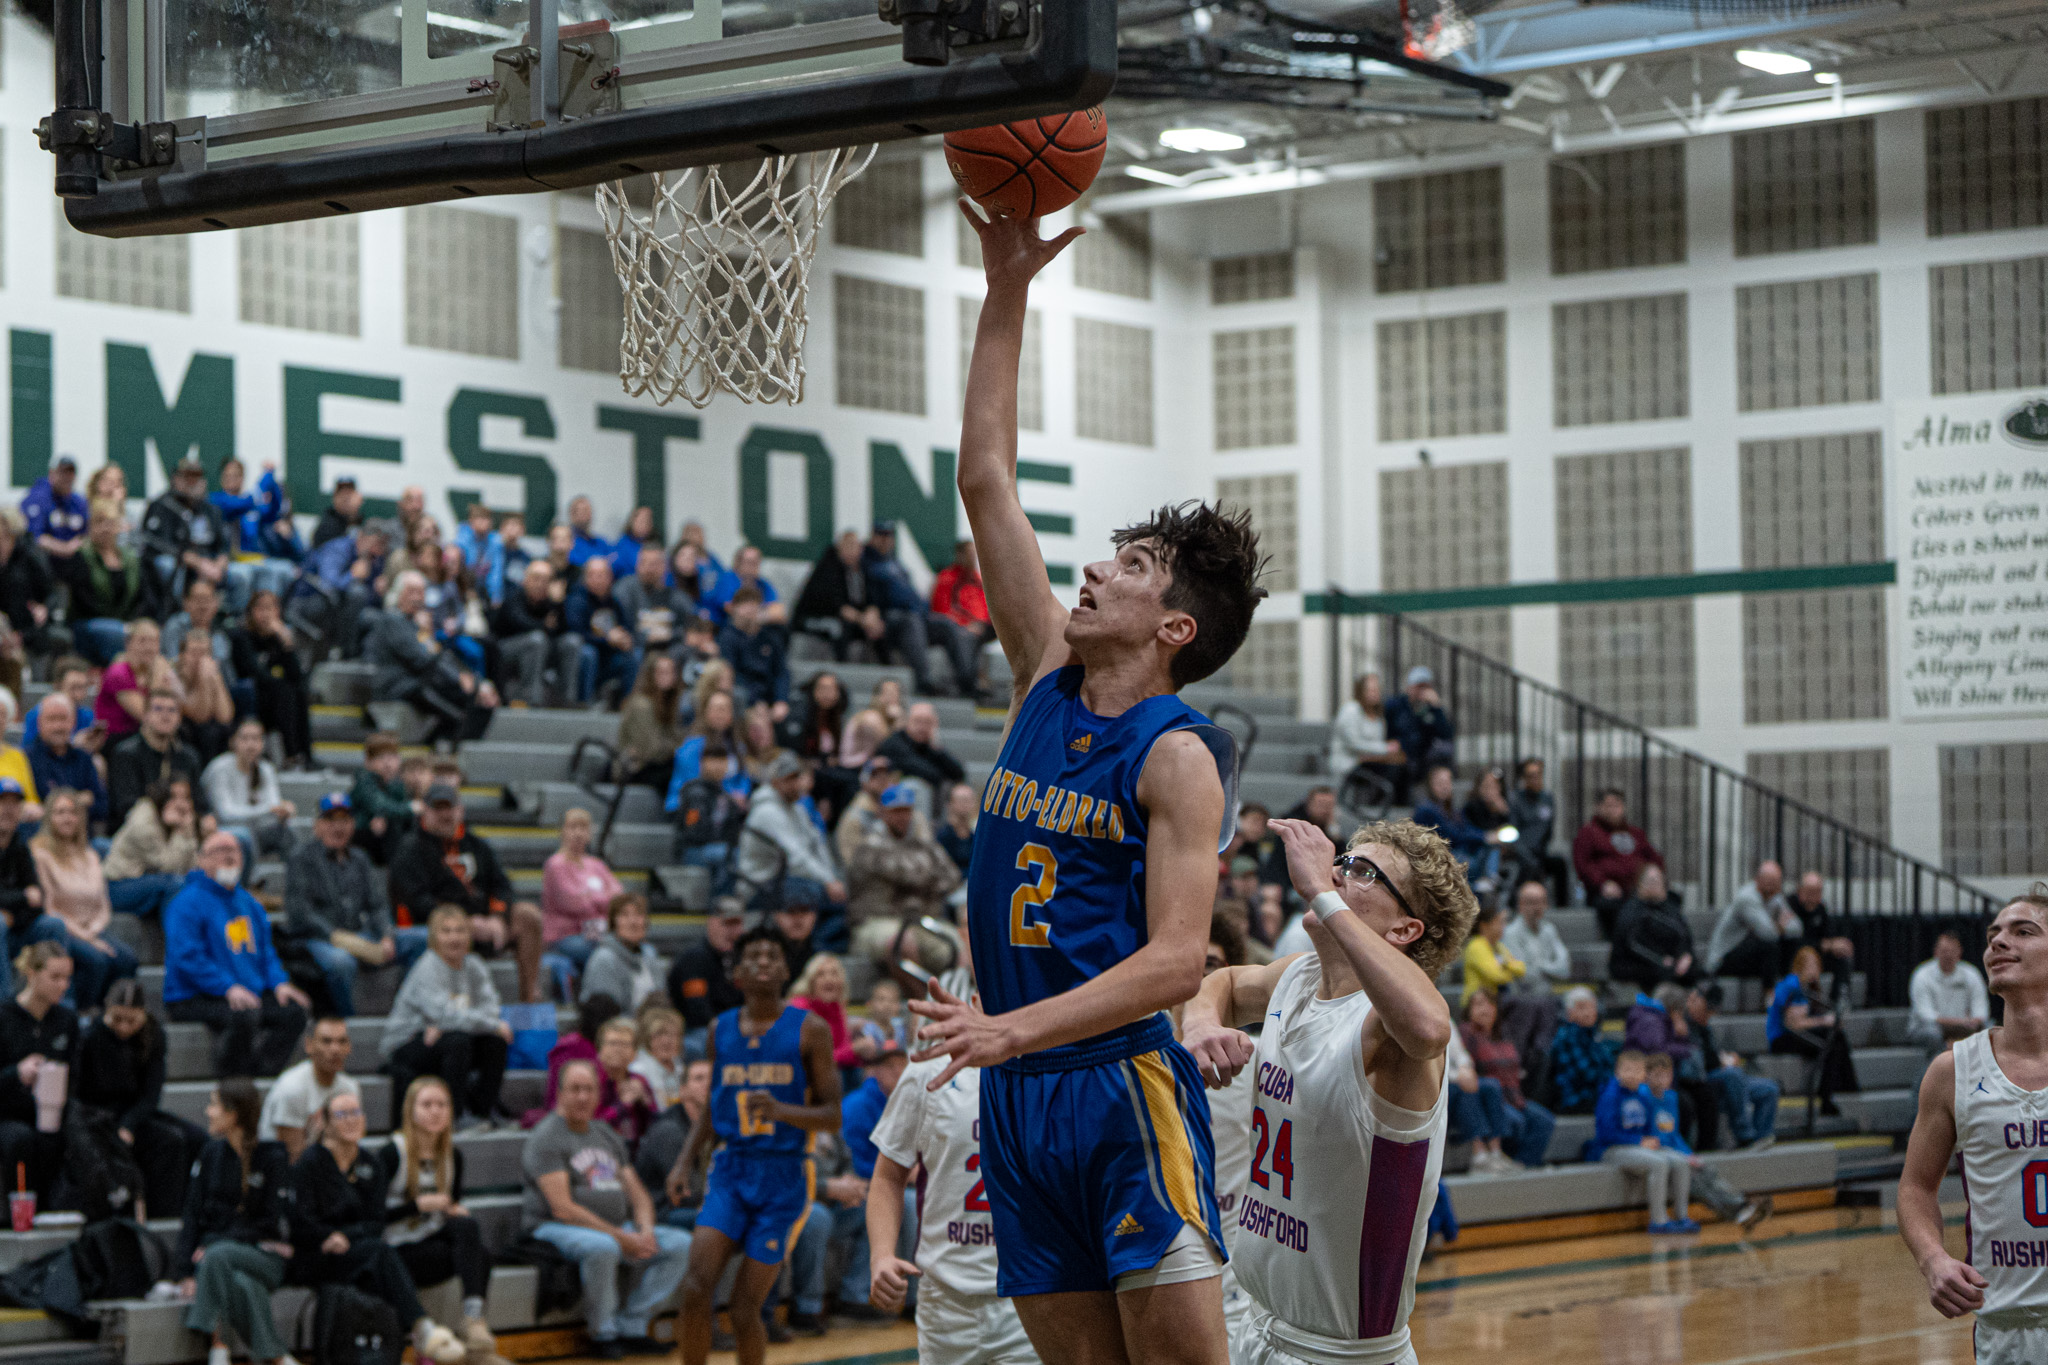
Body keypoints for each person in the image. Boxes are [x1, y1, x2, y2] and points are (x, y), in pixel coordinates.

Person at [911, 206, 1268, 1365]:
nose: (1090, 569)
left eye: (1126, 565)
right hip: (1018, 1105)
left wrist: (1008, 1029)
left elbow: (1176, 962)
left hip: (1118, 1092)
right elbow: (983, 478)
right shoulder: (1039, 681)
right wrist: (1005, 287)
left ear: (1171, 624)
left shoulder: (1174, 752)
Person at [1178, 817, 1476, 1365]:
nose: (1336, 873)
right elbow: (1218, 982)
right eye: (1342, 861)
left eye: (1362, 872)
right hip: (1256, 1325)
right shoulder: (1298, 976)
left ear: (1405, 930)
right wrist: (1198, 1025)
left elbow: (1432, 1027)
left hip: (1338, 1354)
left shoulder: (1385, 1032)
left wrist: (1318, 890)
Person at [670, 929, 840, 1365]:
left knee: (745, 1309)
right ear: (738, 972)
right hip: (731, 1169)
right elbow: (712, 1105)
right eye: (753, 955)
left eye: (772, 954)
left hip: (785, 1174)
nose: (763, 960)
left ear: (786, 970)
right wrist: (684, 1160)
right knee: (694, 1289)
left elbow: (834, 1114)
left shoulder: (811, 1030)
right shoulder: (719, 1029)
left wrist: (783, 1111)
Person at [1899, 888, 2048, 1363]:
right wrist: (1933, 1260)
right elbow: (1916, 1188)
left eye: (2023, 931)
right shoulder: (1953, 1070)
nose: (1999, 942)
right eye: (1993, 934)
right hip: (2007, 1329)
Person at [866, 1033, 1032, 1361]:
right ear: (972, 1000)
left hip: (1031, 1295)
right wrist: (881, 1255)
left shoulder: (1053, 1064)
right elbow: (888, 1176)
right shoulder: (929, 1070)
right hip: (945, 1300)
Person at [525, 1059, 692, 1359]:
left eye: (589, 1089)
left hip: (614, 1226)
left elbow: (638, 1194)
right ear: (559, 1094)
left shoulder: (605, 1134)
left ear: (599, 1094)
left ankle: (633, 1324)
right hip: (554, 1227)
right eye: (574, 1089)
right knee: (603, 1247)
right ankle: (603, 1333)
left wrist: (645, 1230)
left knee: (681, 1244)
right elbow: (562, 1208)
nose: (582, 1097)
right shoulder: (546, 1137)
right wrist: (619, 1236)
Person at [287, 1091, 469, 1364]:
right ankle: (421, 1329)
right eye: (341, 1114)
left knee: (378, 1257)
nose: (351, 1120)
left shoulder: (370, 1164)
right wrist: (327, 1236)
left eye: (356, 1112)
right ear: (325, 1121)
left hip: (359, 1253)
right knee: (380, 1255)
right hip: (318, 1255)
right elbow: (299, 1221)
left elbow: (375, 1221)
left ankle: (390, 1351)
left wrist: (345, 1235)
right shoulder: (310, 1162)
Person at [174, 1078, 303, 1365]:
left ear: (233, 1115)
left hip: (265, 1256)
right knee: (240, 1283)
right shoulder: (210, 1154)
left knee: (217, 1257)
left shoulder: (272, 1156)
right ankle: (279, 1358)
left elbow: (270, 1222)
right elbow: (192, 1213)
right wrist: (184, 1271)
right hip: (220, 1259)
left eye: (214, 1105)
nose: (208, 1112)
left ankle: (217, 1347)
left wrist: (216, 1244)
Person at [162, 833, 312, 1076]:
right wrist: (227, 987)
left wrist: (278, 983)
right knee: (244, 1014)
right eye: (220, 850)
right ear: (202, 860)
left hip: (245, 992)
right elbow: (187, 957)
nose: (230, 855)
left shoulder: (249, 902)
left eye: (235, 850)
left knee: (294, 1012)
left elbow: (266, 952)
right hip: (194, 996)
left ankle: (261, 1076)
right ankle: (234, 1084)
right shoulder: (186, 902)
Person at [382, 1076, 508, 1365]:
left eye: (442, 1105)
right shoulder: (392, 1153)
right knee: (475, 1252)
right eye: (427, 1104)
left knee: (472, 1236)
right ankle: (430, 1340)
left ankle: (474, 1326)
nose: (435, 1111)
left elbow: (450, 1207)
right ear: (410, 1110)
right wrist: (416, 1205)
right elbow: (371, 1218)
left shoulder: (453, 1156)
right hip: (394, 1253)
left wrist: (453, 1210)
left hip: (429, 1244)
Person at [389, 784, 546, 1003]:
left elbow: (502, 885)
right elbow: (417, 901)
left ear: (460, 810)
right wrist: (464, 924)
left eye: (449, 808)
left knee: (528, 915)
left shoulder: (478, 845)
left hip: (486, 924)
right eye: (438, 808)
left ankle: (530, 999)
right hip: (439, 927)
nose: (445, 814)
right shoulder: (410, 849)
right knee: (449, 930)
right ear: (425, 811)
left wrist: (497, 917)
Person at [76, 978, 206, 1219]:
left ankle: (178, 1214)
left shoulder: (154, 1034)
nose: (124, 1027)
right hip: (97, 1115)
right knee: (169, 1141)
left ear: (143, 1015)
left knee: (197, 1138)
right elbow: (79, 1092)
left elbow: (151, 1094)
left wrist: (129, 1124)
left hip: (136, 1112)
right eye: (117, 1019)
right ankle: (159, 1213)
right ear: (107, 1011)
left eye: (131, 1021)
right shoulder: (90, 1036)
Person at [382, 905, 513, 1127]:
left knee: (495, 1041)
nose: (454, 938)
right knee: (458, 1041)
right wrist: (479, 1023)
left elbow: (491, 1009)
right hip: (406, 1041)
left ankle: (484, 1112)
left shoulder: (475, 965)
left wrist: (450, 1024)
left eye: (460, 931)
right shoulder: (428, 966)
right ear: (434, 937)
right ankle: (455, 1116)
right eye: (446, 931)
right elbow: (444, 1015)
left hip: (443, 1037)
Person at [285, 794, 403, 1019]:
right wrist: (338, 937)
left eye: (345, 820)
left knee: (418, 940)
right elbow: (300, 912)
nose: (338, 827)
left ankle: (403, 1015)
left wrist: (386, 934)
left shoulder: (360, 858)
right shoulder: (301, 858)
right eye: (331, 820)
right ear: (317, 825)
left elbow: (377, 905)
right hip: (317, 939)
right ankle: (349, 1027)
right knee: (341, 962)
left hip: (360, 935)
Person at [366, 571, 499, 743]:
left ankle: (452, 746)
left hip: (421, 681)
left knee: (477, 700)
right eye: (411, 591)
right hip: (398, 685)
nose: (417, 597)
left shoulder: (413, 624)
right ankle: (445, 746)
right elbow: (422, 659)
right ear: (397, 593)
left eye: (421, 592)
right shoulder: (392, 620)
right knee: (459, 711)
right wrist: (460, 678)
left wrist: (476, 681)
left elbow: (439, 655)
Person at [26, 787, 129, 1007]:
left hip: (92, 928)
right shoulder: (39, 853)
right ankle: (78, 1014)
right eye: (60, 812)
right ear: (49, 817)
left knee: (126, 960)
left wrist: (93, 930)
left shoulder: (90, 855)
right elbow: (49, 906)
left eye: (72, 812)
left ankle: (107, 1017)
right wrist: (86, 936)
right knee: (96, 960)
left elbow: (103, 903)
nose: (67, 818)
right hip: (65, 929)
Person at [1640, 1051, 1767, 1228]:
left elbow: (1673, 1134)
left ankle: (1740, 1206)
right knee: (1695, 1179)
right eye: (1657, 1075)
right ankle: (1738, 1209)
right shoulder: (1643, 1096)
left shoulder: (1670, 1097)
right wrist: (1682, 1156)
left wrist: (1688, 1154)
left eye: (1667, 1075)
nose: (1662, 1080)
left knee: (1706, 1169)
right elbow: (1652, 1135)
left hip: (1672, 1150)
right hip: (1656, 1152)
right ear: (1647, 1076)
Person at [846, 782, 963, 967]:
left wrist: (925, 878)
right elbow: (909, 876)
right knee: (902, 942)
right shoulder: (869, 846)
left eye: (907, 811)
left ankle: (958, 995)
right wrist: (930, 879)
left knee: (963, 944)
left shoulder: (924, 844)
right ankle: (919, 996)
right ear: (883, 813)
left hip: (921, 921)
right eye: (896, 811)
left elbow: (952, 877)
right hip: (876, 921)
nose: (903, 817)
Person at [735, 755, 847, 939]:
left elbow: (815, 845)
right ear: (775, 782)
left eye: (797, 777)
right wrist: (828, 882)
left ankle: (820, 949)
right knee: (813, 893)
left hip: (784, 881)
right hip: (758, 885)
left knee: (840, 896)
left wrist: (832, 878)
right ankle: (811, 951)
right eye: (789, 779)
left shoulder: (796, 809)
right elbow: (797, 857)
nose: (796, 784)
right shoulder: (767, 811)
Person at [0, 941, 79, 1200]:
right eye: (55, 977)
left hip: (51, 1111)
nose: (63, 985)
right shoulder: (5, 1016)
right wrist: (16, 1073)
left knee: (70, 1133)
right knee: (20, 1139)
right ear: (32, 974)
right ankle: (21, 1212)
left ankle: (61, 1210)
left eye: (67, 978)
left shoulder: (66, 1020)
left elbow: (76, 1076)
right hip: (7, 1113)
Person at [1585, 1050, 1697, 1232]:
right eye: (1627, 1070)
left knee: (1681, 1162)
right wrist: (1639, 1140)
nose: (1632, 1074)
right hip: (1612, 1150)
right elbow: (1606, 1134)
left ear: (1644, 1074)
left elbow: (1648, 1129)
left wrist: (1650, 1141)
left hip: (1637, 1147)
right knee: (1659, 1163)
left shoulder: (1643, 1097)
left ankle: (1681, 1216)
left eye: (1637, 1070)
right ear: (1617, 1072)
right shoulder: (1610, 1096)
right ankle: (1659, 1221)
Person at [1457, 989, 1555, 1171]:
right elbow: (1465, 1071)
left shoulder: (1504, 1033)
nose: (1484, 1009)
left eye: (1489, 1004)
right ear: (1468, 1010)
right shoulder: (1466, 1033)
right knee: (1516, 1122)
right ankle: (1502, 1161)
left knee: (1544, 1121)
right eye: (1478, 1005)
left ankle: (1523, 1165)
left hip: (1514, 1097)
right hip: (1488, 1100)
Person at [1766, 946, 1860, 1122]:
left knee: (1836, 1037)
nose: (1816, 970)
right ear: (1801, 966)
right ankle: (1836, 1092)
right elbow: (1794, 1024)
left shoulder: (1804, 986)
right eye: (1811, 965)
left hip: (1791, 1035)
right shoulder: (1793, 985)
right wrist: (1825, 1021)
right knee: (1832, 1040)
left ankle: (1843, 1088)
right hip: (1781, 1038)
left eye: (1817, 965)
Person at [1684, 984, 1778, 1149]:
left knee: (1769, 1088)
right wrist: (1723, 1062)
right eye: (1707, 1009)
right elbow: (1697, 1062)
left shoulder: (1706, 1027)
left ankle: (1761, 1138)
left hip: (1723, 1077)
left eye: (1712, 1011)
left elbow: (1712, 1053)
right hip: (1704, 1081)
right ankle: (1745, 1136)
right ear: (1694, 1000)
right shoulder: (1683, 1024)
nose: (1710, 1014)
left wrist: (1724, 1059)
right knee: (1733, 1075)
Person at [861, 521, 949, 696]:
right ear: (873, 537)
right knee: (911, 622)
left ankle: (967, 685)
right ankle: (924, 681)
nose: (885, 540)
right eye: (881, 535)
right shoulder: (865, 561)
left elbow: (911, 594)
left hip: (914, 613)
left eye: (888, 536)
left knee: (948, 626)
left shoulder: (895, 562)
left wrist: (925, 609)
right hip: (889, 618)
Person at [58, 507, 155, 666]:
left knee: (147, 630)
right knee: (115, 632)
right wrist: (122, 625)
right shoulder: (81, 555)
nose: (105, 528)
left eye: (110, 523)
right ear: (90, 527)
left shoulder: (131, 558)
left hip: (125, 623)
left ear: (118, 527)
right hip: (87, 624)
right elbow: (83, 601)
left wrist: (135, 622)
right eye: (99, 522)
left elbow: (143, 596)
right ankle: (123, 676)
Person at [257, 1015, 361, 1159]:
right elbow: (291, 1157)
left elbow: (351, 1142)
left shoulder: (350, 1087)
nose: (335, 1049)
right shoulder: (292, 1087)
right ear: (309, 1045)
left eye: (342, 1041)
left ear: (349, 1047)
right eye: (326, 1041)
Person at [107, 688, 209, 832]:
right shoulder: (126, 753)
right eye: (158, 709)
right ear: (146, 715)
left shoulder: (189, 756)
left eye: (172, 710)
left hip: (182, 827)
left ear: (180, 718)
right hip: (137, 829)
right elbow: (126, 805)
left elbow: (199, 803)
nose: (165, 715)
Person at [541, 808, 624, 983]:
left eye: (583, 827)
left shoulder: (597, 864)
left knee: (633, 948)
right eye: (572, 827)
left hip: (599, 932)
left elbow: (619, 898)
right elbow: (573, 904)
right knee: (606, 952)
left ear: (590, 833)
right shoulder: (555, 865)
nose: (578, 833)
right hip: (565, 936)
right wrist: (602, 899)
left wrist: (589, 897)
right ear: (562, 831)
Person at [231, 590, 313, 768]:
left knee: (298, 691)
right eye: (260, 608)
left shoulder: (277, 637)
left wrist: (286, 642)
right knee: (285, 691)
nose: (265, 613)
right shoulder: (241, 636)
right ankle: (293, 754)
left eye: (271, 608)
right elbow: (255, 672)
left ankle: (305, 755)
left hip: (275, 700)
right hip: (249, 697)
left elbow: (296, 675)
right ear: (251, 611)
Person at [104, 778, 201, 919]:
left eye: (185, 797)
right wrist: (181, 832)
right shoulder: (143, 824)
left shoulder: (172, 819)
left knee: (199, 881)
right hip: (118, 886)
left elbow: (191, 867)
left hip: (147, 880)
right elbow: (170, 867)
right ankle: (175, 937)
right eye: (174, 797)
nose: (181, 804)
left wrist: (187, 831)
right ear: (162, 796)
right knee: (175, 884)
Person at [202, 718, 296, 863]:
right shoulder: (219, 768)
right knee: (245, 836)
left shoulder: (266, 769)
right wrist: (270, 809)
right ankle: (250, 884)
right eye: (244, 738)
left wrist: (283, 811)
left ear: (263, 744)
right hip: (224, 832)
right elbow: (226, 814)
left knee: (287, 832)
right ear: (233, 742)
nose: (250, 745)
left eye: (256, 739)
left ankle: (296, 883)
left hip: (257, 830)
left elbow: (274, 805)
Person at [1573, 789, 1664, 935]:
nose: (1613, 809)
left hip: (1638, 888)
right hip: (1606, 892)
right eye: (1608, 805)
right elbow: (1583, 864)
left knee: (1670, 899)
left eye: (1617, 805)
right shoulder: (1588, 833)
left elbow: (1654, 858)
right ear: (1598, 807)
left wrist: (1654, 880)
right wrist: (1602, 883)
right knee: (1611, 905)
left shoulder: (1636, 833)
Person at [495, 560, 584, 709]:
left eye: (546, 580)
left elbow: (562, 629)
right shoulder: (513, 598)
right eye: (536, 578)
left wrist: (558, 604)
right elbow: (522, 624)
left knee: (572, 641)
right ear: (525, 579)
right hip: (505, 651)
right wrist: (545, 625)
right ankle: (532, 701)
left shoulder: (551, 602)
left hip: (542, 648)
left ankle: (567, 702)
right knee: (537, 639)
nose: (540, 584)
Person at [665, 899, 746, 1058]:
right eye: (726, 924)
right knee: (703, 1040)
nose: (731, 931)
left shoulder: (741, 958)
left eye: (736, 925)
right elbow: (698, 1011)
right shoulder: (694, 959)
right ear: (711, 923)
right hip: (695, 1029)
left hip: (735, 1027)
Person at [1607, 864, 1694, 993]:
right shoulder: (1631, 910)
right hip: (1634, 964)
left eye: (1658, 880)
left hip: (1668, 962)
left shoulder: (1671, 909)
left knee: (1693, 972)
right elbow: (1632, 944)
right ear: (1640, 884)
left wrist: (1685, 956)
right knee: (1663, 972)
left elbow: (1683, 936)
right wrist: (1661, 960)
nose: (1655, 885)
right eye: (1650, 881)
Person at [28, 694, 109, 831]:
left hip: (82, 838)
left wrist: (54, 805)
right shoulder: (28, 758)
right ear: (39, 723)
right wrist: (79, 800)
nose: (58, 726)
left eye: (63, 719)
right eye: (52, 719)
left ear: (73, 722)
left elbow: (102, 808)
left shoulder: (84, 758)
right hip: (42, 836)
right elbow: (33, 811)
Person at [1413, 765, 1500, 892]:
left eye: (1448, 782)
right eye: (1440, 783)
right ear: (1430, 785)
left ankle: (1491, 878)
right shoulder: (1427, 809)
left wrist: (1487, 835)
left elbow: (1466, 828)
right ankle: (1475, 886)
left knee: (1492, 846)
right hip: (1437, 856)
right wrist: (1484, 837)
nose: (1445, 786)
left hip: (1454, 851)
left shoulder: (1450, 809)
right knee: (1469, 861)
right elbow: (1452, 835)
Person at [567, 557, 641, 705]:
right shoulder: (577, 600)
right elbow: (576, 634)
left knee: (634, 656)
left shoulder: (614, 602)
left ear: (610, 578)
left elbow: (625, 627)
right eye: (593, 575)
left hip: (608, 658)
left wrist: (625, 640)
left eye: (602, 575)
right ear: (585, 578)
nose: (598, 579)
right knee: (588, 653)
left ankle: (628, 706)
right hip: (584, 658)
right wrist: (607, 639)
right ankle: (584, 704)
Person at [1706, 861, 1795, 980]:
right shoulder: (1747, 898)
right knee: (1770, 947)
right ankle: (1770, 995)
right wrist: (1780, 926)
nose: (1772, 885)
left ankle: (1789, 988)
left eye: (1775, 881)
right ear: (1757, 879)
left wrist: (1779, 928)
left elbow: (1797, 928)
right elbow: (1768, 934)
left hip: (1748, 953)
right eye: (1768, 880)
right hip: (1723, 958)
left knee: (1791, 944)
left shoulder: (1775, 898)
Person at [1326, 671, 1402, 807]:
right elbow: (1354, 744)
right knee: (1392, 768)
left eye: (1377, 689)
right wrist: (1386, 748)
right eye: (1370, 689)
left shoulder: (1379, 715)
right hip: (1349, 764)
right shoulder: (1350, 710)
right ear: (1360, 691)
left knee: (1402, 764)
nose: (1374, 693)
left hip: (1368, 760)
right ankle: (1375, 806)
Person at [1908, 930, 1991, 1054]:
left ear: (1960, 952)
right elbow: (1926, 1015)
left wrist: (1971, 1023)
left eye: (1952, 951)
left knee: (1990, 1031)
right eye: (1944, 951)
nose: (1948, 955)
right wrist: (1961, 1023)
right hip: (1930, 1028)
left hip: (1965, 1028)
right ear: (1936, 952)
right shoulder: (1922, 975)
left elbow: (1981, 1012)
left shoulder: (1972, 974)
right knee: (1932, 1034)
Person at [670, 742, 743, 879]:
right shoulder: (695, 792)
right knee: (731, 855)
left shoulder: (725, 795)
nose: (717, 766)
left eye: (722, 760)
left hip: (717, 849)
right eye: (712, 760)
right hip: (694, 850)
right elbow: (692, 830)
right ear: (702, 763)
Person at [1382, 665, 1454, 801]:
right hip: (1400, 755)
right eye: (1419, 686)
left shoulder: (1430, 709)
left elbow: (1446, 734)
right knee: (1399, 765)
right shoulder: (1396, 706)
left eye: (1426, 687)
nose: (1422, 691)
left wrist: (1437, 707)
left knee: (1443, 758)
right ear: (1410, 687)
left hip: (1422, 759)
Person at [1786, 871, 1856, 1008]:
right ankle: (1804, 1001)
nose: (1815, 896)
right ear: (1800, 890)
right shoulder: (1789, 906)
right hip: (1793, 955)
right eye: (1810, 892)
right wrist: (1824, 944)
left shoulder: (1821, 908)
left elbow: (1829, 936)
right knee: (1806, 955)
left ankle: (1839, 999)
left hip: (1817, 952)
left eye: (1818, 892)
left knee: (1842, 954)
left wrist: (1836, 944)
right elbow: (1794, 941)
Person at [582, 893, 664, 1010]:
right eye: (625, 915)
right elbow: (605, 1015)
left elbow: (661, 1001)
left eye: (639, 914)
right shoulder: (604, 959)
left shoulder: (649, 954)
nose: (633, 922)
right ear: (613, 923)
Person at [618, 653, 684, 792]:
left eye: (670, 672)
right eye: (661, 672)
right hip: (635, 768)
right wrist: (677, 749)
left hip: (656, 765)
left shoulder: (669, 704)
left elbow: (676, 739)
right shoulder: (641, 705)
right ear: (649, 675)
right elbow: (650, 750)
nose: (666, 676)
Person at [1505, 758, 1568, 904]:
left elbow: (1548, 830)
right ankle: (1514, 905)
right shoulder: (1516, 800)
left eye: (1538, 774)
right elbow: (1513, 833)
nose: (1536, 779)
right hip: (1521, 853)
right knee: (1529, 867)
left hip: (1540, 852)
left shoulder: (1547, 799)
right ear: (1524, 778)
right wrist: (1526, 854)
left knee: (1560, 864)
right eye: (1531, 776)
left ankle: (1562, 908)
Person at [717, 587, 789, 712]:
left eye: (754, 604)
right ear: (734, 608)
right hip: (744, 697)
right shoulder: (727, 638)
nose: (750, 609)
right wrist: (756, 702)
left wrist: (781, 700)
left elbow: (781, 671)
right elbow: (731, 673)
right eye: (744, 604)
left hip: (769, 699)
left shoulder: (770, 638)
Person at [348, 731, 415, 865]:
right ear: (368, 762)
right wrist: (410, 807)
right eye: (380, 757)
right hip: (360, 840)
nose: (387, 763)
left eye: (392, 757)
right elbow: (378, 805)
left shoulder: (397, 785)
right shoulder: (364, 781)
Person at [877, 700, 967, 799]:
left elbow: (959, 773)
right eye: (918, 721)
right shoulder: (894, 742)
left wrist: (937, 748)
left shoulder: (931, 746)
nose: (922, 727)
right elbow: (928, 774)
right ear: (907, 722)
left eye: (928, 722)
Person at [1548, 987, 1616, 1116]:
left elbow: (1608, 1064)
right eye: (1582, 1008)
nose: (1589, 1013)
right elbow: (1586, 1074)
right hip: (1575, 1098)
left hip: (1596, 1093)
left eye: (1592, 1007)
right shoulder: (1568, 1036)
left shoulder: (1592, 1034)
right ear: (1569, 1012)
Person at [1501, 879, 1570, 997]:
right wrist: (1550, 969)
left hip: (1548, 997)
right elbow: (1524, 975)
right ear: (1521, 905)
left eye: (1542, 902)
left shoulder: (1549, 929)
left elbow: (1564, 968)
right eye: (1532, 902)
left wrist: (1540, 967)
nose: (1538, 907)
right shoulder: (1510, 933)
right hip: (1521, 1000)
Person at [22, 455, 87, 562]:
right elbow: (33, 537)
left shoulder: (79, 503)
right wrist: (64, 548)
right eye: (62, 472)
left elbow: (86, 534)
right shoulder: (38, 499)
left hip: (73, 563)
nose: (66, 477)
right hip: (43, 562)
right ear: (51, 474)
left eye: (70, 473)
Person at [631, 1007, 687, 1111]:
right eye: (659, 1034)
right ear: (647, 1038)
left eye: (672, 1035)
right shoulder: (638, 1071)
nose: (666, 1041)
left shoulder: (680, 1066)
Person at [312, 476, 363, 549]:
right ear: (334, 498)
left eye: (349, 493)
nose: (345, 498)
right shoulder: (327, 525)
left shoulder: (361, 521)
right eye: (342, 494)